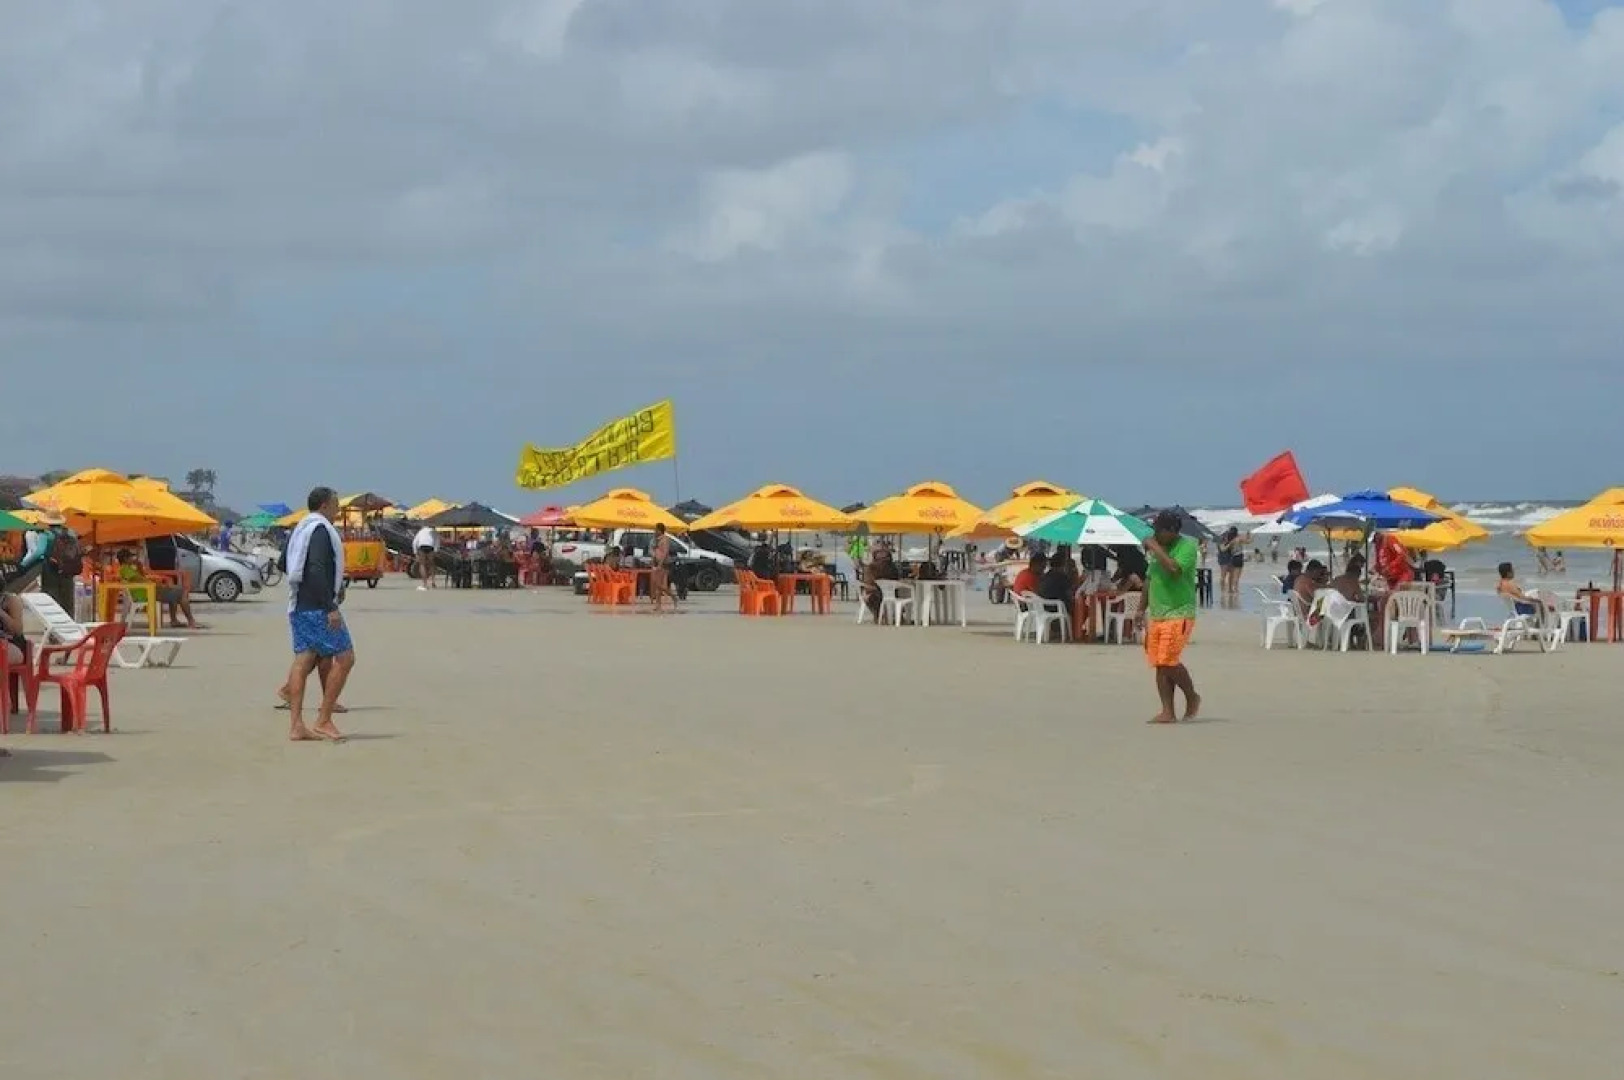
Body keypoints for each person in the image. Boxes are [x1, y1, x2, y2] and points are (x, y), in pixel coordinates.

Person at [281, 487, 355, 743]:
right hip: (317, 606)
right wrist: (330, 605)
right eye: (335, 504)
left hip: (299, 603)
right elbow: (316, 567)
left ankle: (296, 726)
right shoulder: (321, 530)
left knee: (303, 660)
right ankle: (323, 719)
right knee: (345, 657)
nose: (338, 509)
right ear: (324, 505)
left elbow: (284, 563)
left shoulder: (299, 528)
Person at [1143, 510, 1201, 723]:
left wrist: (1154, 547)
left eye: (1159, 531)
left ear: (1172, 531)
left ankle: (1192, 696)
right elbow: (1149, 579)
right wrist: (1141, 610)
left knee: (1168, 660)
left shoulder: (1187, 547)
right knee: (1159, 663)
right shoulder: (1159, 550)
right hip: (1157, 613)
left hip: (1179, 612)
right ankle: (1168, 711)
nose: (1155, 534)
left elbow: (1174, 569)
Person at [115, 548, 206, 630]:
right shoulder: (124, 569)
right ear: (126, 559)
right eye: (131, 557)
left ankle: (175, 620)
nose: (133, 558)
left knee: (175, 591)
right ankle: (191, 621)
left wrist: (139, 567)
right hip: (146, 593)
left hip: (147, 591)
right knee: (182, 593)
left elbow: (142, 578)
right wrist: (160, 585)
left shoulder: (129, 568)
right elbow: (141, 581)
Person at [36, 512, 82, 615]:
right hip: (68, 570)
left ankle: (53, 626)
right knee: (68, 602)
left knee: (51, 601)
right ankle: (68, 626)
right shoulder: (71, 533)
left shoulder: (46, 535)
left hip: (50, 571)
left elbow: (38, 552)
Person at [861, 541, 901, 621]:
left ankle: (882, 616)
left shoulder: (890, 567)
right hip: (877, 593)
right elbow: (869, 583)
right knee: (877, 597)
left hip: (883, 592)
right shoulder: (872, 568)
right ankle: (885, 616)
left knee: (892, 596)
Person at [649, 522, 673, 613]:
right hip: (656, 562)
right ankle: (658, 604)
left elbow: (665, 552)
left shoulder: (665, 539)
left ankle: (671, 597)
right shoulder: (656, 540)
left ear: (660, 530)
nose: (654, 531)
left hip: (662, 564)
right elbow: (654, 551)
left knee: (659, 585)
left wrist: (660, 564)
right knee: (656, 584)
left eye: (656, 529)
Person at [413, 522, 439, 590]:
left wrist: (415, 553)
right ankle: (433, 582)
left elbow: (415, 542)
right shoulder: (434, 531)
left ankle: (425, 584)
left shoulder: (420, 531)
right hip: (430, 547)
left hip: (422, 546)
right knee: (431, 564)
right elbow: (437, 541)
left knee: (422, 564)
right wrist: (436, 551)